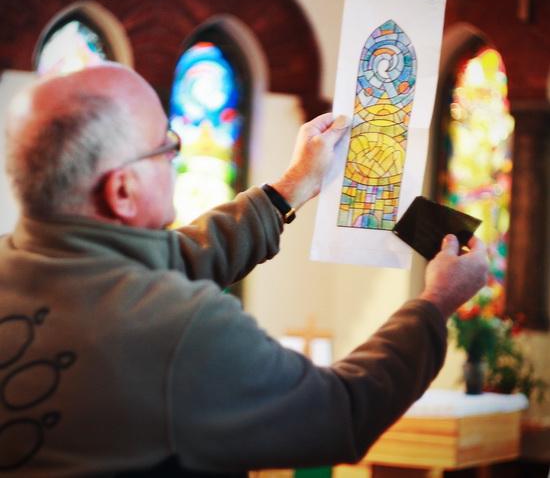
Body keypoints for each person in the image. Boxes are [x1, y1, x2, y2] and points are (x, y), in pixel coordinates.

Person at [0, 63, 488, 477]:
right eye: (166, 146)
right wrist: (435, 303)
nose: (175, 158)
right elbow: (343, 412)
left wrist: (288, 190)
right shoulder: (180, 327)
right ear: (122, 190)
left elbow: (170, 258)